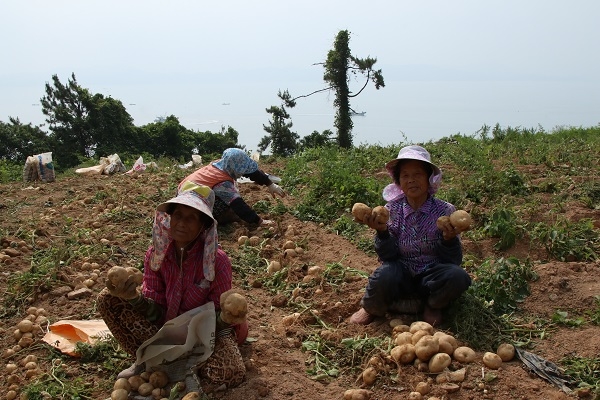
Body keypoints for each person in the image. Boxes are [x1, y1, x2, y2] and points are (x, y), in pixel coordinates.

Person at [97, 183, 247, 390]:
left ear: (203, 225)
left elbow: (215, 316)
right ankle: (145, 360)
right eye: (178, 215)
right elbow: (156, 308)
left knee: (230, 372)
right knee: (108, 298)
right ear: (169, 218)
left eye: (191, 217)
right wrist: (132, 297)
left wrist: (226, 318)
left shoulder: (217, 261)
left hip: (205, 334)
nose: (181, 223)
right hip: (166, 328)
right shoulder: (157, 255)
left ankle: (175, 366)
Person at [350, 145, 471, 327]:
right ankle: (371, 308)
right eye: (405, 175)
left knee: (458, 276)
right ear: (398, 181)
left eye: (417, 174)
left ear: (429, 178)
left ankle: (432, 304)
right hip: (402, 273)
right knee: (384, 274)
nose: (411, 180)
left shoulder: (445, 210)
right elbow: (388, 257)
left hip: (431, 277)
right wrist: (382, 233)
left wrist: (448, 240)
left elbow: (452, 260)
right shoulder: (391, 210)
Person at [180, 148, 285, 226]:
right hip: (190, 205)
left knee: (229, 195)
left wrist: (270, 184)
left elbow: (250, 173)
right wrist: (259, 221)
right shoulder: (223, 183)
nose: (244, 173)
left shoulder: (220, 164)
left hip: (185, 193)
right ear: (236, 170)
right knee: (230, 202)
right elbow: (237, 204)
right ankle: (214, 219)